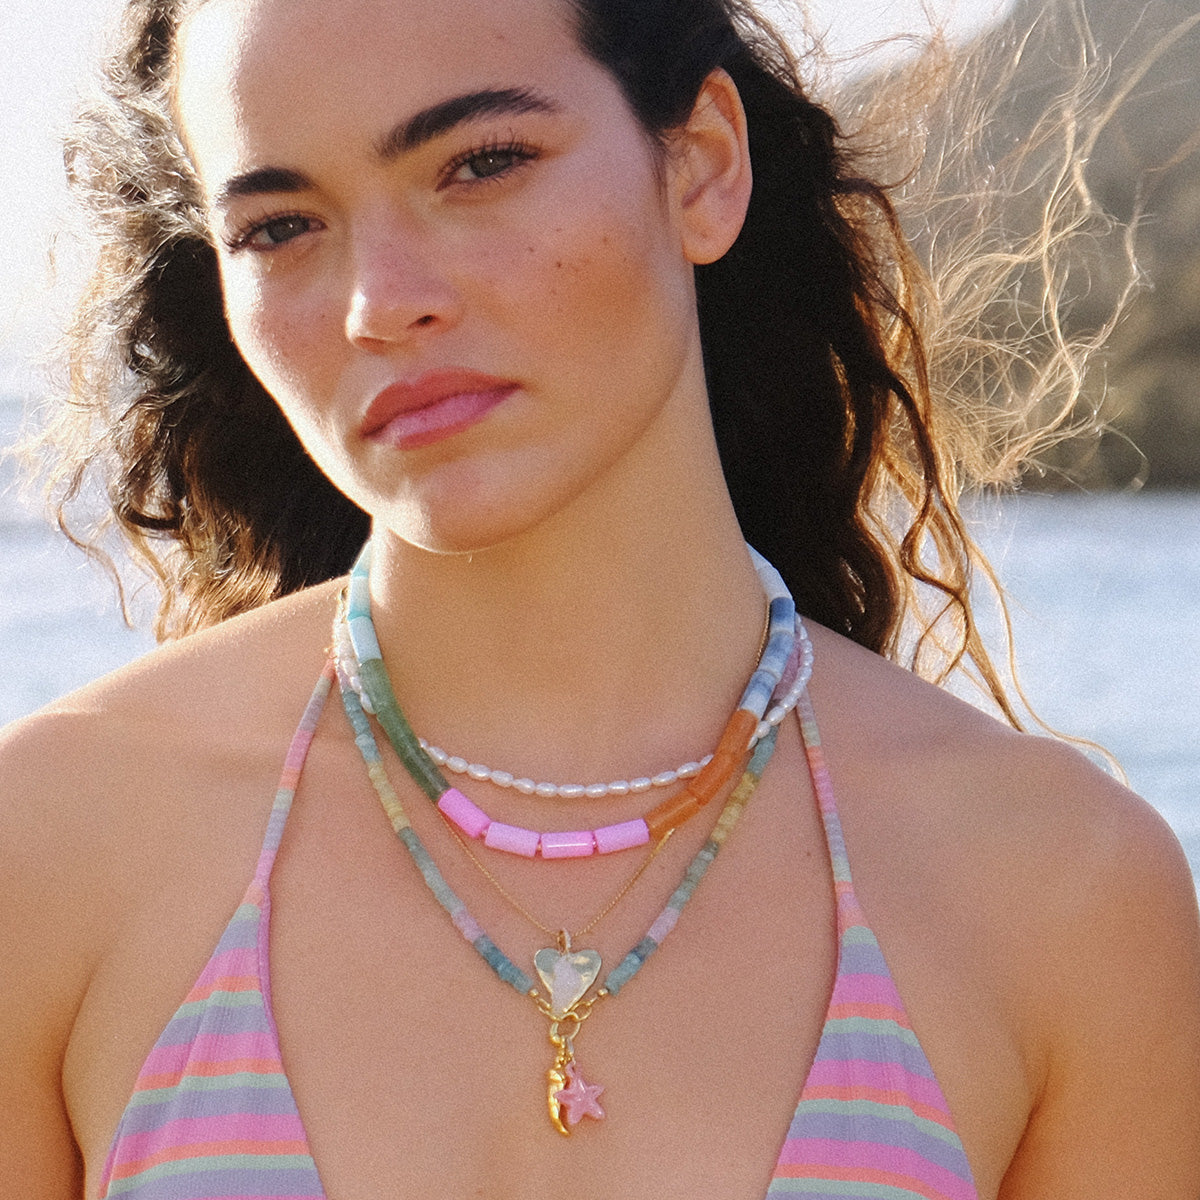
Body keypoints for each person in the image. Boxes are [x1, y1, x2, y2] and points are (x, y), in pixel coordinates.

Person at [2, 0, 1198, 1195]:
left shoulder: (1062, 895)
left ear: (703, 166)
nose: (380, 301)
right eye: (278, 227)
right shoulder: (52, 848)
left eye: (481, 164)